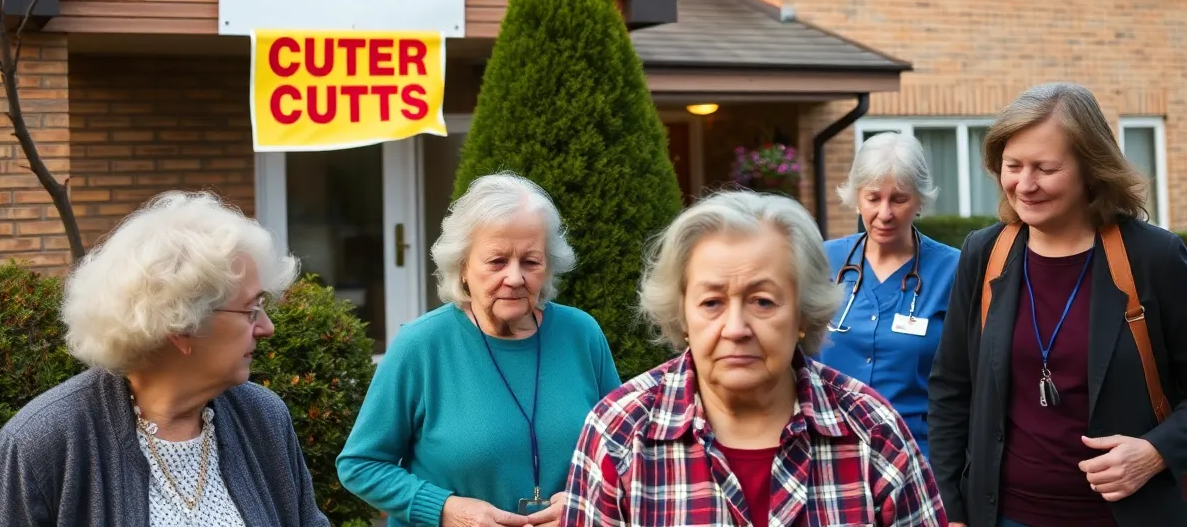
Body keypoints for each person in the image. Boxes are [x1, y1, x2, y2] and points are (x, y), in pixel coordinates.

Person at [561, 189, 947, 527]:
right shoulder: (619, 434)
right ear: (682, 316)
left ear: (803, 312)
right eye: (711, 302)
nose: (735, 328)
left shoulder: (872, 431)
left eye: (762, 302)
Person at [0, 191, 325, 527]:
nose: (267, 327)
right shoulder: (43, 443)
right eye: (251, 310)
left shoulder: (262, 417)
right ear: (183, 324)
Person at [928, 82, 1187, 527]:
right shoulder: (984, 254)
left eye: (1045, 168)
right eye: (1012, 166)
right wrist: (951, 509)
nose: (1024, 185)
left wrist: (1156, 451)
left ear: (1091, 169)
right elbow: (952, 390)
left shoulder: (1153, 258)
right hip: (1002, 516)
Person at [337, 171, 622, 527]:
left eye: (531, 261)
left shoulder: (581, 334)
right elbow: (361, 464)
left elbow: (621, 452)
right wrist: (444, 509)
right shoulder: (421, 346)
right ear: (463, 267)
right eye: (497, 261)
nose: (515, 278)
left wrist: (587, 496)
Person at [821, 131, 960, 457]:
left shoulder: (953, 270)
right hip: (830, 456)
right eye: (873, 198)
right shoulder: (823, 261)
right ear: (856, 196)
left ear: (920, 199)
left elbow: (968, 378)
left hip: (915, 457)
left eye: (899, 199)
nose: (884, 213)